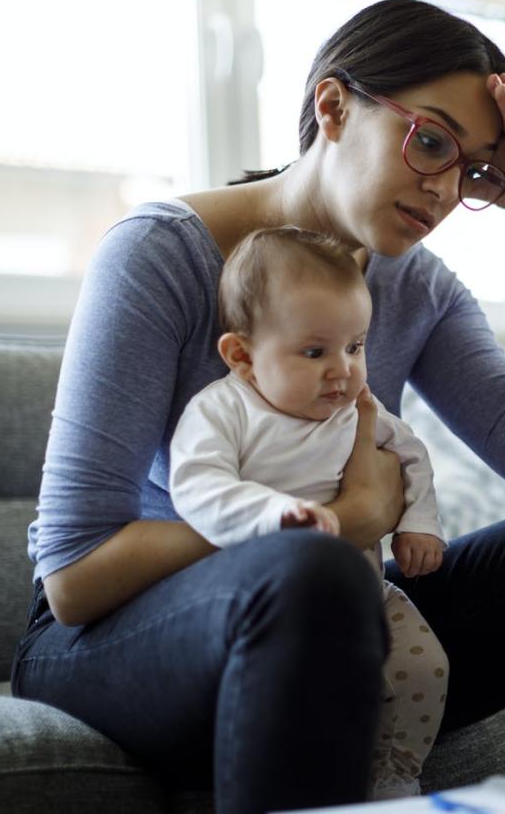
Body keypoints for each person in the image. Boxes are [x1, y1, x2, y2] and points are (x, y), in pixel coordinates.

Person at [12, 0, 505, 814]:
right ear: (334, 107)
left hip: (341, 606)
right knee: (310, 571)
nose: (446, 188)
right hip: (111, 639)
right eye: (430, 142)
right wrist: (337, 518)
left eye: (476, 168)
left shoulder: (417, 287)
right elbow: (71, 577)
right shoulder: (159, 256)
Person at [168, 226, 448, 799]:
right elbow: (197, 486)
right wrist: (275, 516)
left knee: (425, 666)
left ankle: (396, 777)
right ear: (242, 356)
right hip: (277, 606)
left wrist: (420, 521)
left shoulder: (357, 408)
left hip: (372, 590)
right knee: (320, 690)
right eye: (315, 352)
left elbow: (411, 452)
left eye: (356, 346)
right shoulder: (224, 411)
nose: (342, 370)